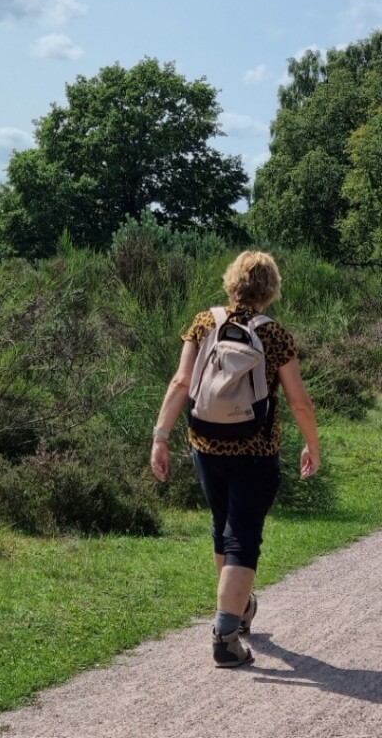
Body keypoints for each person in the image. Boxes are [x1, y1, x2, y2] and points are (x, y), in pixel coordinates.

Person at [150, 250, 321, 668]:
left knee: (222, 526)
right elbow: (299, 402)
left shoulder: (204, 322)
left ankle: (239, 609)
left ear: (231, 282)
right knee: (242, 537)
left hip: (204, 444)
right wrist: (312, 446)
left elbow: (181, 381)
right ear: (271, 289)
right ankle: (225, 637)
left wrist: (160, 436)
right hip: (256, 450)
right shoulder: (275, 335)